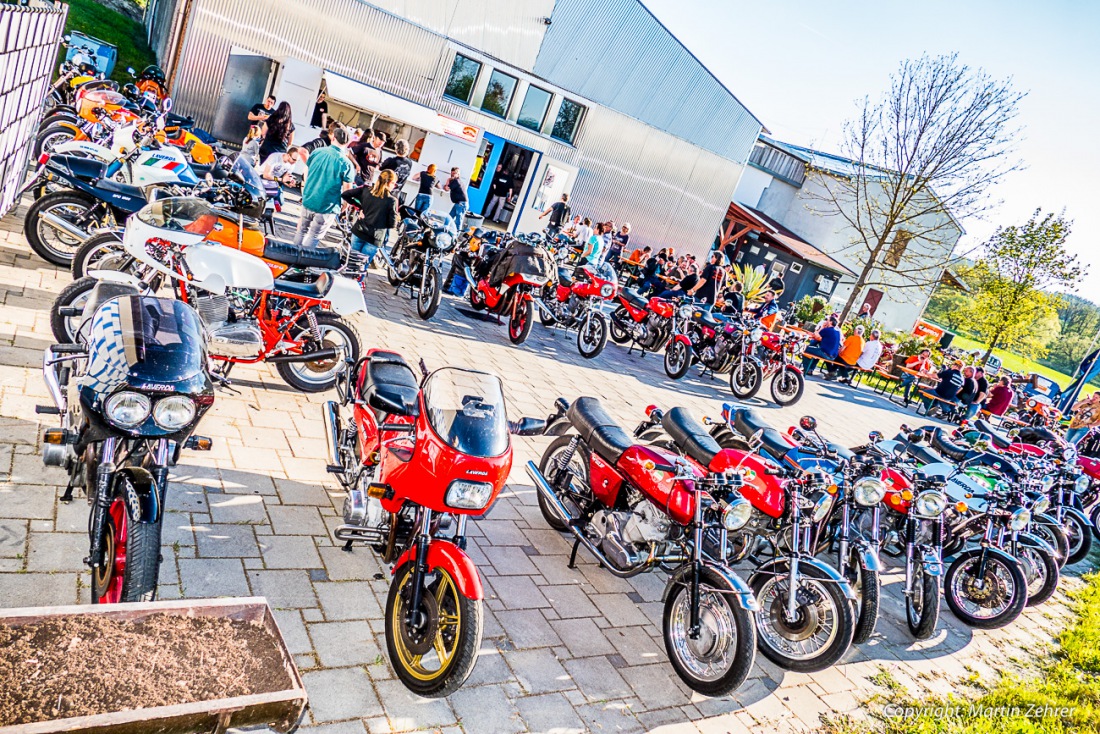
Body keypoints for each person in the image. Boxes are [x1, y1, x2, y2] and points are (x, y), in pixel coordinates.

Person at [293, 126, 355, 248]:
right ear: (347, 143)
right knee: (314, 235)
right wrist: (345, 205)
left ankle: (292, 253)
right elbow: (348, 190)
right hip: (327, 205)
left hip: (309, 198)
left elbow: (309, 166)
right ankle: (302, 260)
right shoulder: (347, 164)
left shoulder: (317, 152)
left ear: (333, 137)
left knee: (301, 230)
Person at [342, 169, 398, 276]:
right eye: (393, 183)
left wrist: (360, 207)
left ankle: (346, 282)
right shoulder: (391, 201)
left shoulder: (366, 190)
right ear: (388, 183)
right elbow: (392, 224)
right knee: (362, 267)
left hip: (359, 231)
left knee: (351, 262)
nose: (394, 186)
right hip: (374, 237)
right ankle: (356, 286)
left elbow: (345, 194)